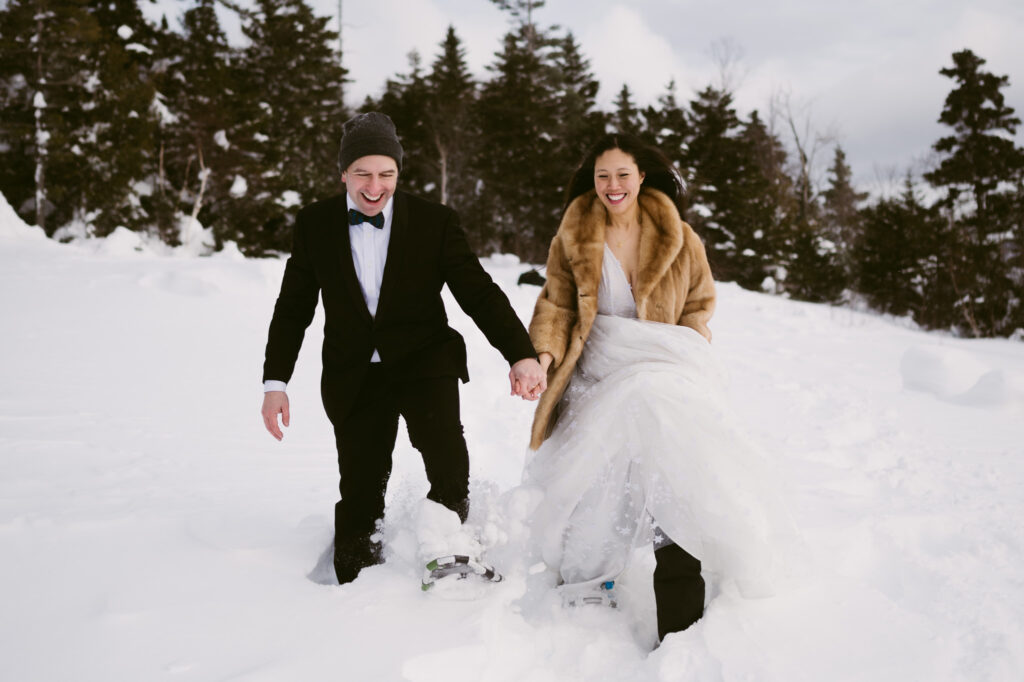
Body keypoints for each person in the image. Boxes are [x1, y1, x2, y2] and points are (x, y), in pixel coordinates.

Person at [523, 133, 794, 641]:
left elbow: (699, 302)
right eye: (603, 175)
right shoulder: (573, 236)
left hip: (667, 364)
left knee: (677, 465)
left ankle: (680, 603)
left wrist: (687, 344)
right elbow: (556, 306)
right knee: (596, 473)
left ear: (641, 175)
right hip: (600, 365)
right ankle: (590, 584)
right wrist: (543, 355)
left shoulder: (679, 235)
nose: (613, 185)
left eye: (622, 174)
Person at [261, 112, 546, 585]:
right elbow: (293, 307)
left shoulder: (435, 222)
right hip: (354, 375)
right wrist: (276, 382)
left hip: (425, 362)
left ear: (399, 172)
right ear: (343, 174)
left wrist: (519, 353)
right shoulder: (315, 225)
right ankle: (353, 588)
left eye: (386, 174)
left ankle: (453, 556)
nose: (375, 187)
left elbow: (478, 292)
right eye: (363, 174)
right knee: (360, 493)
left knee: (449, 467)